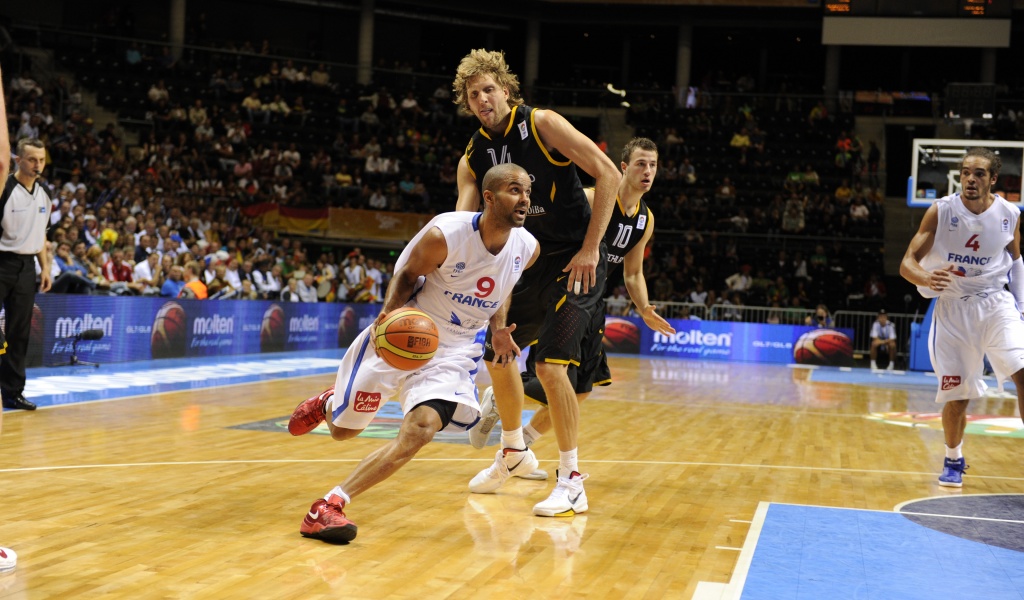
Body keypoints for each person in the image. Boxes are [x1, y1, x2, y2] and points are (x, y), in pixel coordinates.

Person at [287, 163, 539, 543]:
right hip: (406, 332)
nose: (525, 199)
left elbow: (503, 289)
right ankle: (327, 405)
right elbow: (407, 275)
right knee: (342, 432)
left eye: (527, 192)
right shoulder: (446, 234)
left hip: (454, 350)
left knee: (421, 429)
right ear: (489, 197)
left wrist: (499, 328)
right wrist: (388, 316)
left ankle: (328, 505)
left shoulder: (528, 248)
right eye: (515, 191)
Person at [453, 49, 621, 516]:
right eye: (473, 94)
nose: (483, 98)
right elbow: (464, 223)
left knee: (550, 368)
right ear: (468, 105)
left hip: (576, 259)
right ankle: (512, 450)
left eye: (489, 89)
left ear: (506, 90)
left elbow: (608, 173)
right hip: (525, 261)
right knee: (498, 351)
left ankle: (571, 481)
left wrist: (591, 248)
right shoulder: (473, 155)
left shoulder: (542, 123)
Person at [475, 138, 676, 474]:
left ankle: (519, 444)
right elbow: (539, 233)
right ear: (623, 168)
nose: (648, 171)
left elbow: (634, 272)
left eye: (653, 165)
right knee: (527, 361)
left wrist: (644, 308)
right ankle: (510, 412)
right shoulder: (591, 198)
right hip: (553, 286)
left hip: (589, 298)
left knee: (581, 388)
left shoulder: (645, 219)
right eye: (641, 163)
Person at [899, 147, 1024, 488]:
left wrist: (1021, 307)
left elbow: (1016, 261)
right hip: (953, 307)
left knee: (1023, 372)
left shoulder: (1009, 214)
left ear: (993, 179)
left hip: (996, 302)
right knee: (957, 398)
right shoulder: (940, 211)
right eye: (966, 172)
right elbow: (907, 262)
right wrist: (925, 278)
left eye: (979, 173)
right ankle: (953, 458)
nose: (971, 178)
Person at [0, 70, 52, 411]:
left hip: (27, 267)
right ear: (19, 159)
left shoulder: (45, 194)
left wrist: (45, 267)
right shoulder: (5, 189)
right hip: (2, 262)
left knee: (20, 333)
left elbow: (43, 237)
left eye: (42, 159)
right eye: (32, 159)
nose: (38, 164)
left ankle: (12, 392)